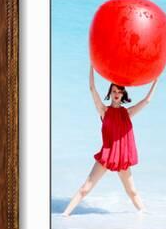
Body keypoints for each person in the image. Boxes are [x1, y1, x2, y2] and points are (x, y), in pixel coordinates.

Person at [61, 65, 159, 216]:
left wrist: (155, 80)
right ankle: (64, 214)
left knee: (132, 191)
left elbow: (147, 101)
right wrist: (92, 66)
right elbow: (92, 89)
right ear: (110, 93)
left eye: (119, 91)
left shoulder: (127, 112)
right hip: (107, 155)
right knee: (85, 188)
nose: (116, 94)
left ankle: (146, 215)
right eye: (114, 91)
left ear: (123, 94)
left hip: (122, 158)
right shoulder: (104, 111)